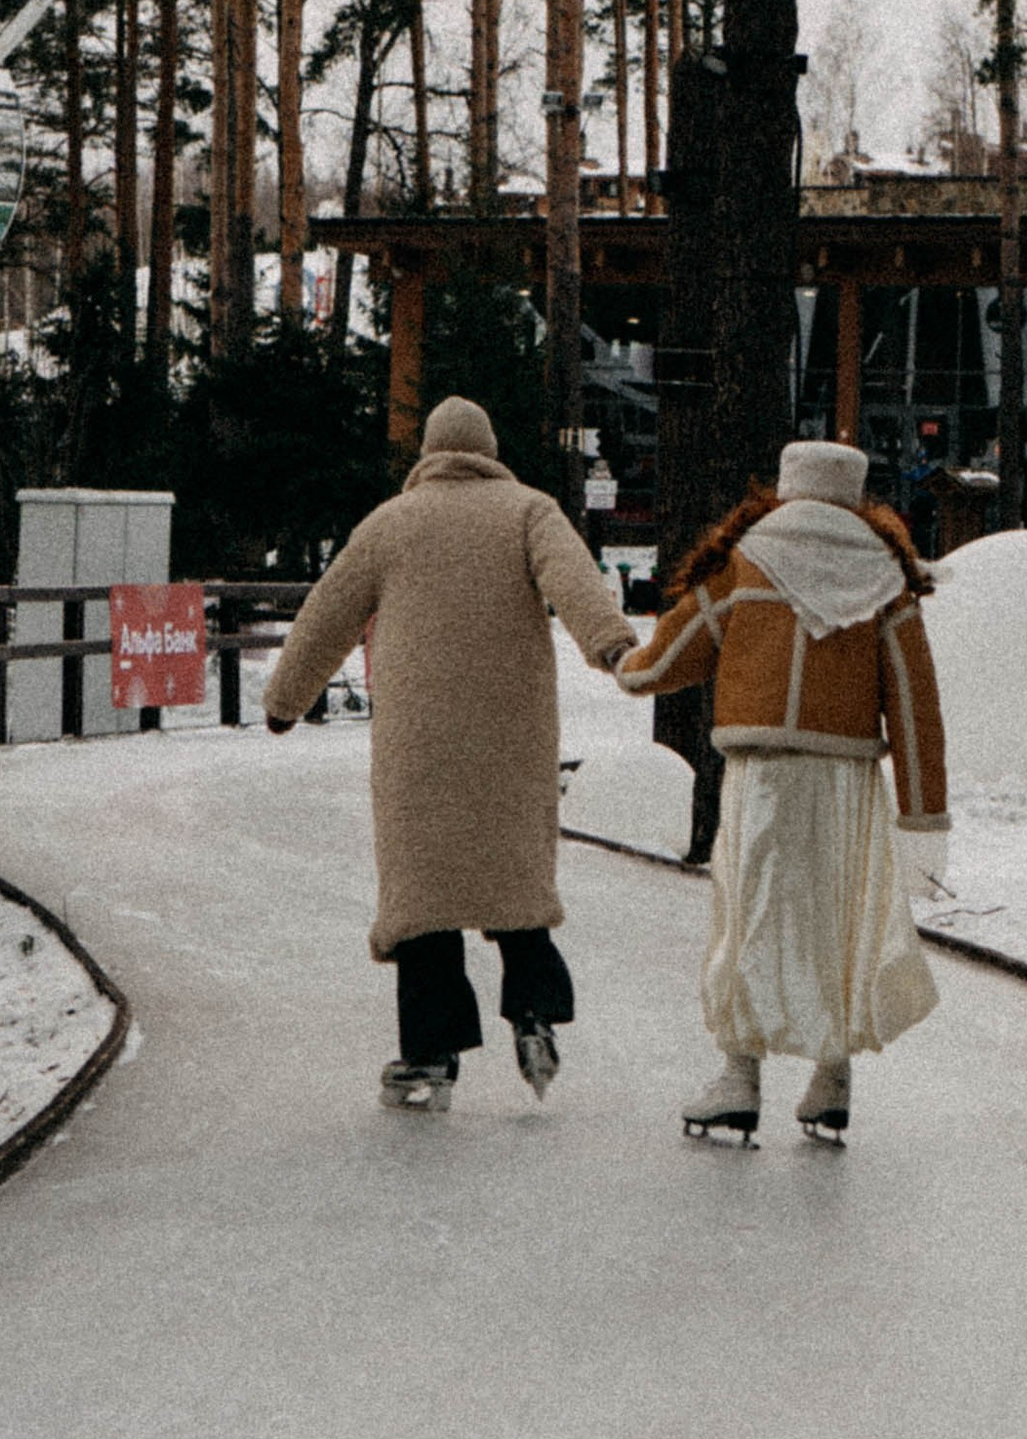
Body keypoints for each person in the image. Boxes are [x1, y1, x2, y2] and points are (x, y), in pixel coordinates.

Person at [262, 395, 635, 1110]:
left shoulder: (390, 524)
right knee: (515, 883)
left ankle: (430, 1054)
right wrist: (611, 645)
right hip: (513, 734)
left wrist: (286, 699)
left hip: (417, 743)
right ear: (489, 451)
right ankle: (534, 1013)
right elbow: (575, 583)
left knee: (425, 902)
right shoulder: (529, 510)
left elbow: (325, 613)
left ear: (429, 454)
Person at [616, 439, 946, 1148]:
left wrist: (626, 665)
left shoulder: (744, 562)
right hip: (846, 779)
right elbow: (916, 703)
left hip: (761, 772)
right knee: (837, 918)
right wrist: (925, 812)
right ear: (857, 496)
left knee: (749, 917)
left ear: (785, 487)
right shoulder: (886, 576)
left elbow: (669, 659)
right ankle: (832, 1078)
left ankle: (739, 1078)